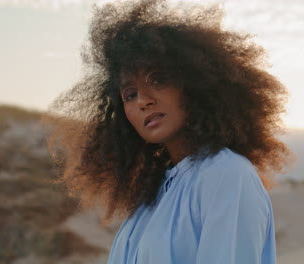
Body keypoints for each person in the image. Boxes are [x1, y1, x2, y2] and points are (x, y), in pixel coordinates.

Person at [47, 0, 290, 263]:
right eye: (130, 94)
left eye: (158, 79)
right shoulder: (153, 196)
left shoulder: (226, 175)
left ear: (196, 82)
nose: (143, 100)